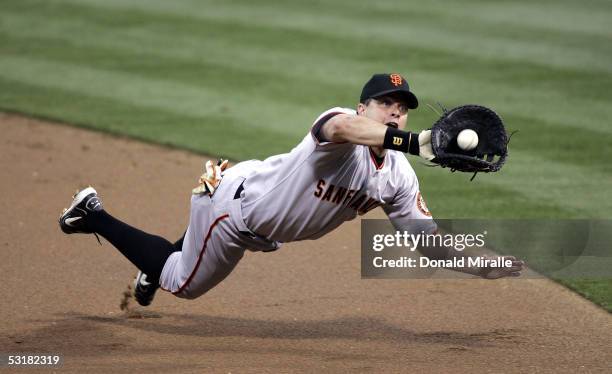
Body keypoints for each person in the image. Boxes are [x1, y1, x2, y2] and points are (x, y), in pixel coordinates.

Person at [59, 73, 524, 306]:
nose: (395, 112)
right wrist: (415, 141)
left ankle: (163, 256)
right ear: (365, 105)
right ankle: (92, 212)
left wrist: (484, 264)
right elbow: (344, 128)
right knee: (183, 285)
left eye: (403, 108)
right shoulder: (341, 125)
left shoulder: (399, 176)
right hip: (234, 210)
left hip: (259, 206)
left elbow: (426, 238)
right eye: (386, 103)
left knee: (186, 258)